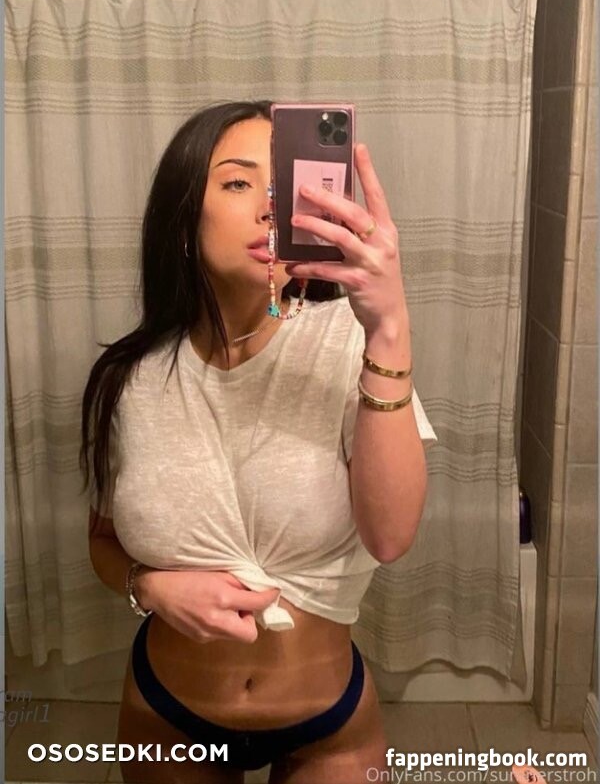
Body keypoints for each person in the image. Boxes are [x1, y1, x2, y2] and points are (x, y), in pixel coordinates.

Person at [80, 100, 436, 784]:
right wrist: (146, 585)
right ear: (185, 219)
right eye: (239, 182)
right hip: (166, 716)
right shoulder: (130, 379)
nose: (271, 206)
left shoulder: (349, 345)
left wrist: (390, 328)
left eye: (286, 185)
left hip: (326, 724)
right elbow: (101, 539)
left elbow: (391, 536)